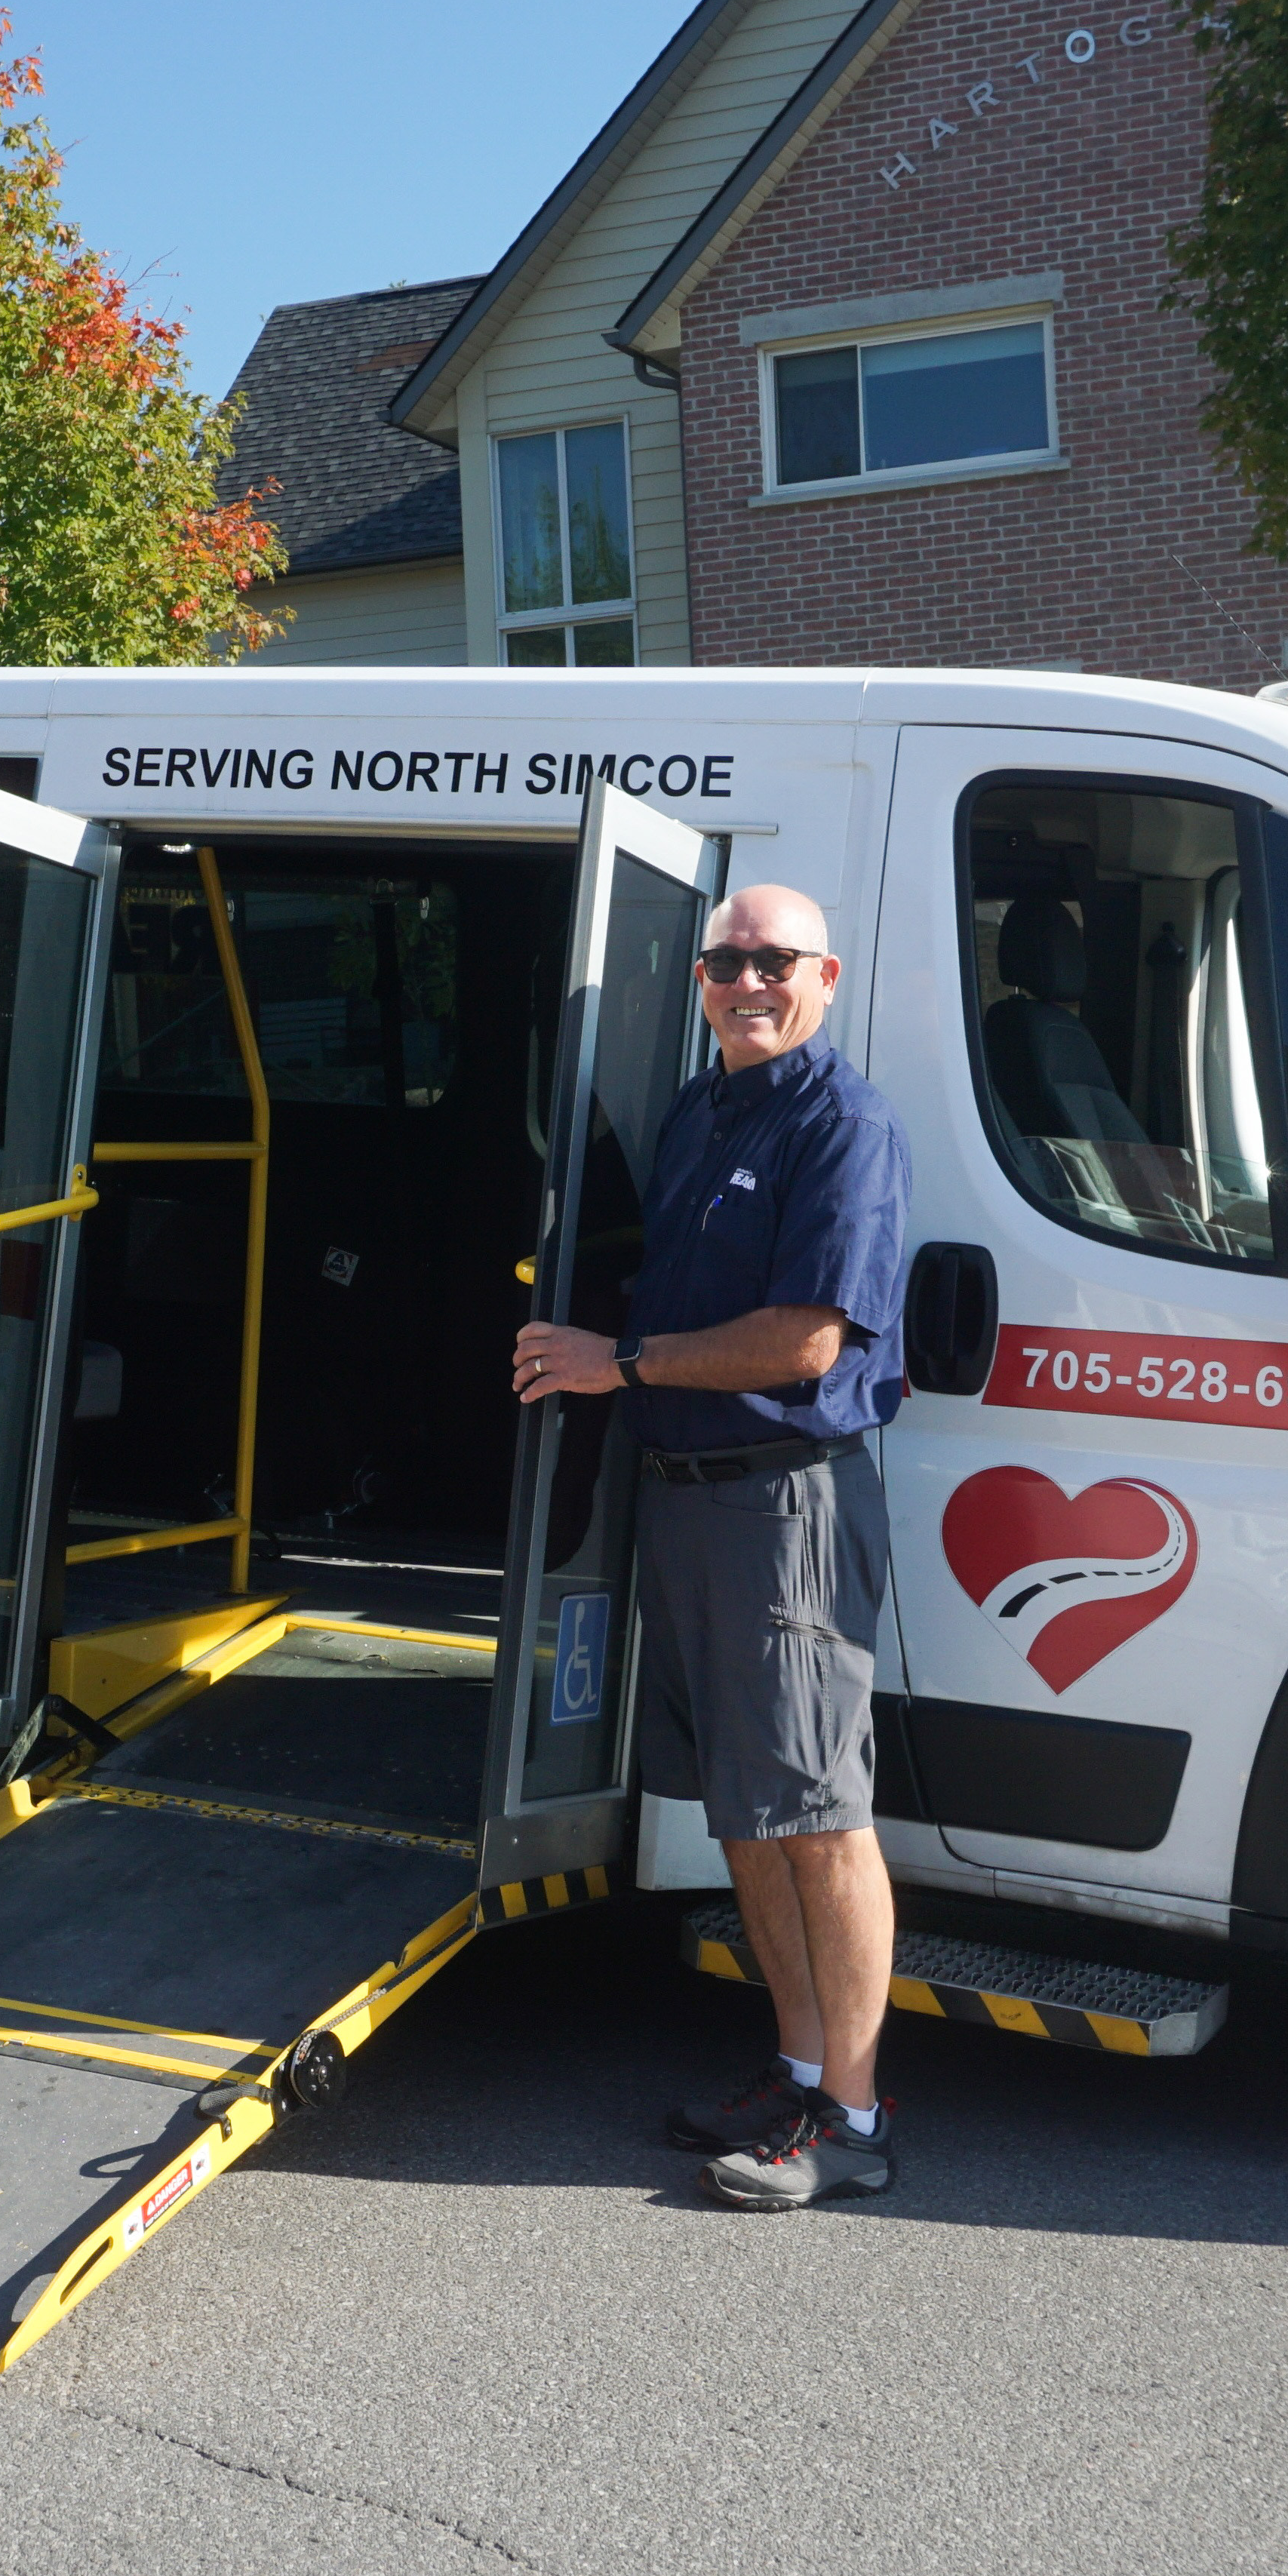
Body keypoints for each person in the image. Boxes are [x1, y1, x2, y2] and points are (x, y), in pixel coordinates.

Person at [511, 885, 912, 2209]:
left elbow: (804, 1341)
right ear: (700, 979)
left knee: (817, 1815)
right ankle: (796, 2070)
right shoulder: (706, 1107)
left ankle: (852, 2120)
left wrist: (613, 1364)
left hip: (783, 1501)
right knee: (750, 1812)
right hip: (689, 1495)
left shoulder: (840, 1124)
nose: (749, 980)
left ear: (828, 974)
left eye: (775, 960)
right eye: (727, 961)